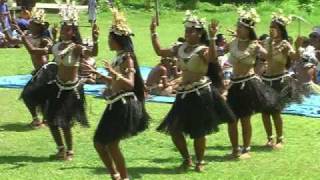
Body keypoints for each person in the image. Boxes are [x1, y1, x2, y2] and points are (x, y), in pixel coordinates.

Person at [151, 10, 236, 172]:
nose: (188, 33)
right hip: (183, 93)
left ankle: (200, 161)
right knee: (175, 129)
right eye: (186, 30)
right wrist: (153, 32)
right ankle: (187, 159)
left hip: (200, 93)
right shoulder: (180, 48)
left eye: (192, 31)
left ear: (199, 34)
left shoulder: (203, 50)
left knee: (198, 130)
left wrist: (212, 37)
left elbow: (212, 58)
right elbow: (160, 52)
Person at [91, 8, 149, 180]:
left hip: (123, 104)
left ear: (117, 40)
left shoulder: (127, 58)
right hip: (113, 103)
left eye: (110, 38)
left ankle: (123, 177)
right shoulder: (118, 57)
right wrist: (101, 76)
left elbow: (130, 84)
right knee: (99, 143)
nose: (108, 41)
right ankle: (115, 174)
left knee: (111, 144)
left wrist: (113, 73)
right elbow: (115, 83)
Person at [226, 8, 278, 159]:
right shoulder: (232, 43)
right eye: (238, 26)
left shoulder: (255, 45)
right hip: (234, 84)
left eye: (241, 27)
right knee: (231, 119)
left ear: (249, 30)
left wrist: (270, 43)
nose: (238, 28)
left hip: (248, 84)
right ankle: (235, 149)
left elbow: (268, 57)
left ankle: (246, 149)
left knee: (245, 118)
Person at [45, 4, 94, 161]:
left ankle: (70, 151)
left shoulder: (77, 48)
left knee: (65, 122)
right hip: (57, 86)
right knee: (51, 120)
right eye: (63, 28)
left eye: (68, 29)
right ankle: (60, 149)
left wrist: (96, 38)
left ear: (73, 32)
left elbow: (93, 53)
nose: (65, 31)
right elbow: (53, 58)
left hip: (70, 89)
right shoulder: (57, 47)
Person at [260, 10, 300, 149]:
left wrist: (297, 47)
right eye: (270, 27)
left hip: (279, 80)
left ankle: (280, 139)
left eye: (274, 27)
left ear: (281, 30)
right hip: (265, 79)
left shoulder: (284, 44)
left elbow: (295, 58)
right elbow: (266, 58)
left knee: (275, 111)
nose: (271, 29)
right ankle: (269, 138)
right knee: (264, 112)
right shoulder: (266, 42)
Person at [13, 8, 55, 128]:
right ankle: (43, 120)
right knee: (39, 96)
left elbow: (34, 51)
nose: (29, 25)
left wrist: (23, 38)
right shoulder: (29, 36)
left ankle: (39, 120)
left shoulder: (45, 40)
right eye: (30, 23)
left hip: (46, 72)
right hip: (38, 72)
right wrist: (7, 28)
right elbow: (11, 41)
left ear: (39, 27)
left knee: (27, 95)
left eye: (32, 24)